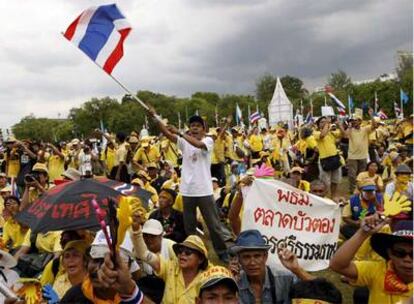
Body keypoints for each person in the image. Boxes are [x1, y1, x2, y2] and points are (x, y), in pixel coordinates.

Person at [148, 110, 228, 261]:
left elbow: (198, 144)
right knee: (189, 228)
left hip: (204, 191)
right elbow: (167, 134)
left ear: (204, 129)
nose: (195, 128)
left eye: (198, 125)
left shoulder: (208, 141)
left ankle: (222, 253)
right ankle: (194, 253)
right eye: (192, 125)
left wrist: (179, 132)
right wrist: (155, 118)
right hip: (187, 191)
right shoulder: (184, 142)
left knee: (213, 226)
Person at [131, 207, 210, 304]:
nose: (182, 254)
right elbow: (144, 254)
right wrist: (136, 230)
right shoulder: (170, 268)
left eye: (188, 252)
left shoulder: (207, 280)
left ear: (200, 259)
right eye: (180, 250)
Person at [330, 215, 413, 304]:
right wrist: (363, 233)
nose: (407, 259)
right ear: (390, 253)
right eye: (400, 253)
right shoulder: (378, 271)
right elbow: (337, 265)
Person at [229, 229, 314, 304]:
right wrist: (229, 281)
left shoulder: (284, 278)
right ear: (239, 260)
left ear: (265, 257)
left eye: (257, 256)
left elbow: (322, 291)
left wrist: (297, 270)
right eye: (246, 257)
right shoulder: (235, 281)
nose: (252, 262)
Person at [340, 114, 377, 193]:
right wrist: (349, 127)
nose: (353, 122)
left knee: (362, 174)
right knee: (352, 175)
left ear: (360, 121)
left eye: (355, 120)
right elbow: (345, 136)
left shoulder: (365, 129)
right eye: (352, 120)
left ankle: (361, 188)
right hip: (352, 156)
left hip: (363, 155)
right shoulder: (350, 130)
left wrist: (371, 115)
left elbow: (374, 126)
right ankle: (353, 190)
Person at [314, 116, 343, 197]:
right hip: (324, 160)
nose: (324, 123)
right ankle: (324, 198)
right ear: (318, 125)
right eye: (322, 122)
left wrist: (339, 124)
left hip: (334, 158)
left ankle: (333, 196)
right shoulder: (315, 133)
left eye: (325, 121)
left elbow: (343, 135)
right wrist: (327, 123)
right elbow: (322, 135)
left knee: (335, 181)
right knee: (325, 183)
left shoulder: (331, 133)